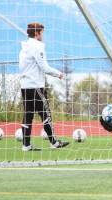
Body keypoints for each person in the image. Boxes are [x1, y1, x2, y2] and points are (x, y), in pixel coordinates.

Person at [19, 22, 69, 151]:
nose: (43, 35)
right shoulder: (37, 46)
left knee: (28, 115)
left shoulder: (24, 47)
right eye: (42, 32)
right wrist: (59, 74)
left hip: (25, 86)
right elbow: (44, 67)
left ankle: (26, 145)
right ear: (37, 33)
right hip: (36, 86)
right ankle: (54, 142)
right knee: (46, 113)